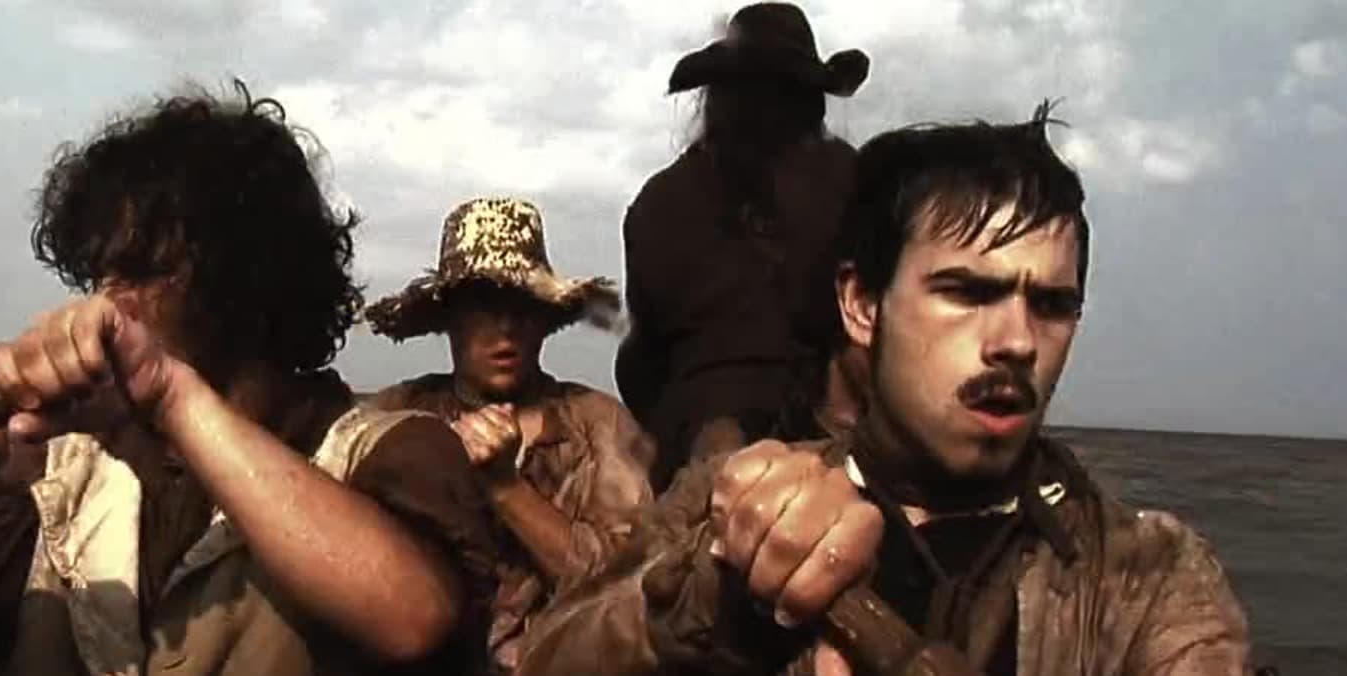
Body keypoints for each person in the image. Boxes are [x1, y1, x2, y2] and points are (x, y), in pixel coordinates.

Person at [515, 109, 1257, 676]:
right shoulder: (722, 503)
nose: (1017, 341)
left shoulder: (1146, 575)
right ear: (862, 305)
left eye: (1052, 305)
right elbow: (555, 653)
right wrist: (717, 602)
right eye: (967, 292)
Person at [0, 81, 498, 676]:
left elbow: (413, 620)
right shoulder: (53, 475)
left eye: (141, 272)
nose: (107, 305)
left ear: (249, 277)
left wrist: (169, 393)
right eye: (100, 275)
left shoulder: (394, 448)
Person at [360, 197, 654, 673]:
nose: (505, 327)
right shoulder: (395, 417)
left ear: (544, 319)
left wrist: (505, 488)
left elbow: (632, 588)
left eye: (522, 305)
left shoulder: (601, 426)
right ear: (450, 318)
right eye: (483, 306)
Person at [616, 1, 870, 491]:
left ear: (717, 98)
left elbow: (643, 365)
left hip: (697, 448)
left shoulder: (659, 200)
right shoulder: (851, 182)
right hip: (820, 450)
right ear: (810, 99)